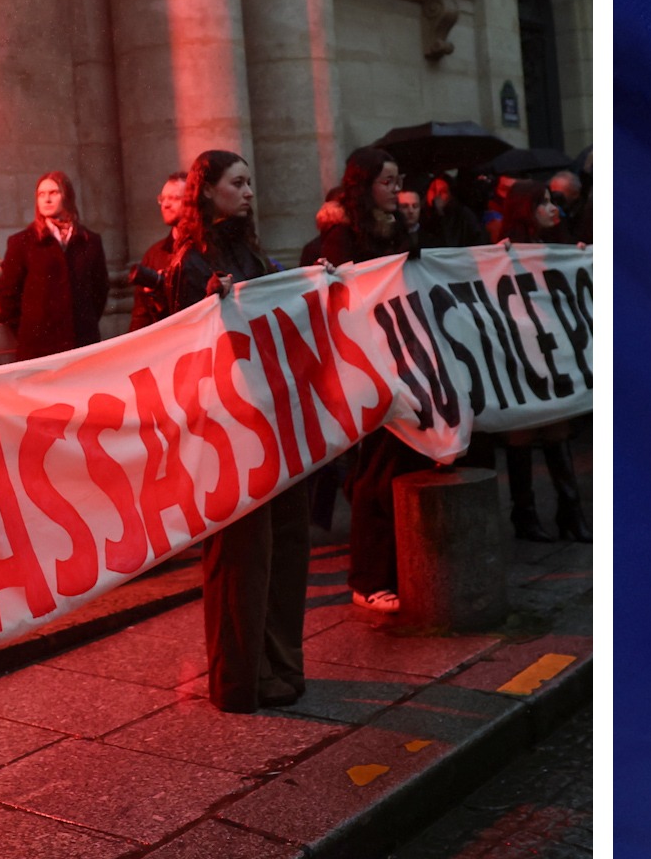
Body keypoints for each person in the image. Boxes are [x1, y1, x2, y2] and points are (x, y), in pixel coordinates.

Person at [162, 149, 311, 712]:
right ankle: (239, 681)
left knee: (281, 552)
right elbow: (179, 344)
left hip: (271, 418)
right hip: (227, 428)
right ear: (209, 191)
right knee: (240, 560)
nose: (249, 192)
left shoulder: (253, 251)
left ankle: (280, 668)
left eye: (251, 182)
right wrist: (206, 307)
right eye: (238, 183)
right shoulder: (191, 260)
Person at [315, 146, 431, 614]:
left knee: (400, 465)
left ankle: (399, 570)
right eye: (386, 182)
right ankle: (367, 577)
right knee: (374, 474)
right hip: (368, 364)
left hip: (405, 359)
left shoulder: (396, 228)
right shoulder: (342, 236)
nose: (395, 190)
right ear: (364, 185)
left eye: (397, 180)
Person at [495, 180, 590, 542]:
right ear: (524, 209)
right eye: (543, 203)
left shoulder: (556, 248)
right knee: (523, 430)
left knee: (557, 427)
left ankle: (570, 512)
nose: (554, 209)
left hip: (553, 349)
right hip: (521, 352)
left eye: (553, 201)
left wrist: (578, 259)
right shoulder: (503, 252)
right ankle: (526, 515)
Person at [0, 171, 109, 360]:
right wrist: (30, 330)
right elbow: (8, 294)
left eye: (53, 193)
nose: (47, 200)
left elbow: (100, 290)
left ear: (67, 196)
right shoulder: (22, 243)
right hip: (38, 349)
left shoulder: (90, 241)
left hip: (81, 345)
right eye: (41, 194)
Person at [129, 171, 188, 331]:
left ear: (191, 202)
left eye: (174, 198)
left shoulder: (206, 248)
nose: (165, 204)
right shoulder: (154, 254)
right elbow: (140, 317)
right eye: (163, 199)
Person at [418, 174, 487, 248]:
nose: (437, 196)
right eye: (433, 190)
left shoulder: (463, 215)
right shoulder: (421, 217)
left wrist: (440, 214)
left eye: (443, 192)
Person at [548, 168, 592, 245]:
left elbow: (571, 243)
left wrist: (560, 219)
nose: (555, 197)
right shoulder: (551, 211)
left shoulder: (588, 212)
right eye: (552, 193)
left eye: (559, 194)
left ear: (575, 194)